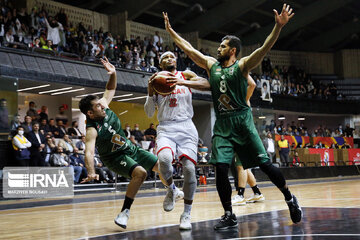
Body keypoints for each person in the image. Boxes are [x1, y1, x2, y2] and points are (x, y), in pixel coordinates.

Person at [163, 4, 301, 230]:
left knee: (265, 165)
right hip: (223, 125)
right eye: (219, 45)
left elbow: (264, 48)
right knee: (220, 168)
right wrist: (171, 32)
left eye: (223, 46)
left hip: (243, 122)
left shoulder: (243, 66)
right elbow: (189, 50)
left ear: (233, 50)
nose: (218, 49)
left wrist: (278, 27)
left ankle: (289, 198)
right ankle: (229, 213)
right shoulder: (211, 66)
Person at [79, 57, 165, 229]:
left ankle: (172, 191)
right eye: (98, 106)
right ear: (90, 113)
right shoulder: (92, 130)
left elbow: (110, 88)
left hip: (129, 148)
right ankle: (124, 212)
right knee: (140, 173)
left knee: (163, 166)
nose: (102, 106)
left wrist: (113, 73)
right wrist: (91, 172)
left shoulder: (104, 106)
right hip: (115, 157)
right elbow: (88, 152)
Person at [144, 51, 208, 230]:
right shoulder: (156, 81)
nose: (169, 58)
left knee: (189, 169)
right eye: (165, 57)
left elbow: (206, 83)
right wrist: (150, 92)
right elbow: (149, 113)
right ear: (160, 64)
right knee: (164, 160)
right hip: (166, 127)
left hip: (186, 126)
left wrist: (183, 82)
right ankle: (172, 190)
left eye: (172, 56)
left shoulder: (185, 74)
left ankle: (186, 213)